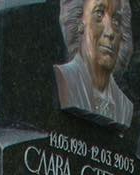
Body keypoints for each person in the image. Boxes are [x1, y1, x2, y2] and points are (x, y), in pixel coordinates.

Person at [54, 0, 134, 128]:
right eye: (99, 14)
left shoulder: (124, 106)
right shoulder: (65, 79)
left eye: (116, 21)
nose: (110, 32)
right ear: (80, 21)